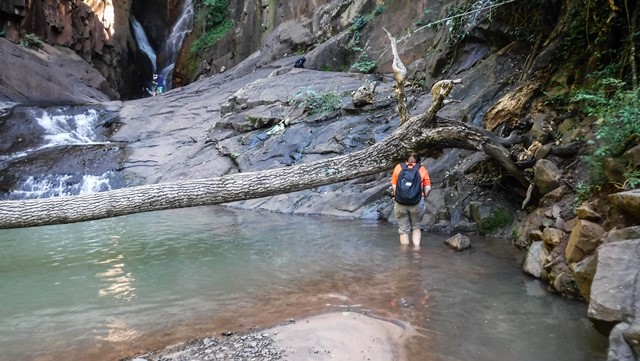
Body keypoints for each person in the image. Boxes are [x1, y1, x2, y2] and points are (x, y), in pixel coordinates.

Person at [391, 152, 431, 247]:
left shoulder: (398, 167)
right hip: (417, 203)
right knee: (416, 227)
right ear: (418, 159)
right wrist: (423, 196)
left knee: (403, 230)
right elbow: (428, 188)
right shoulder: (421, 169)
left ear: (406, 158)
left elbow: (394, 185)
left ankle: (404, 255)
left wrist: (399, 196)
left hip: (400, 203)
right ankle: (416, 252)